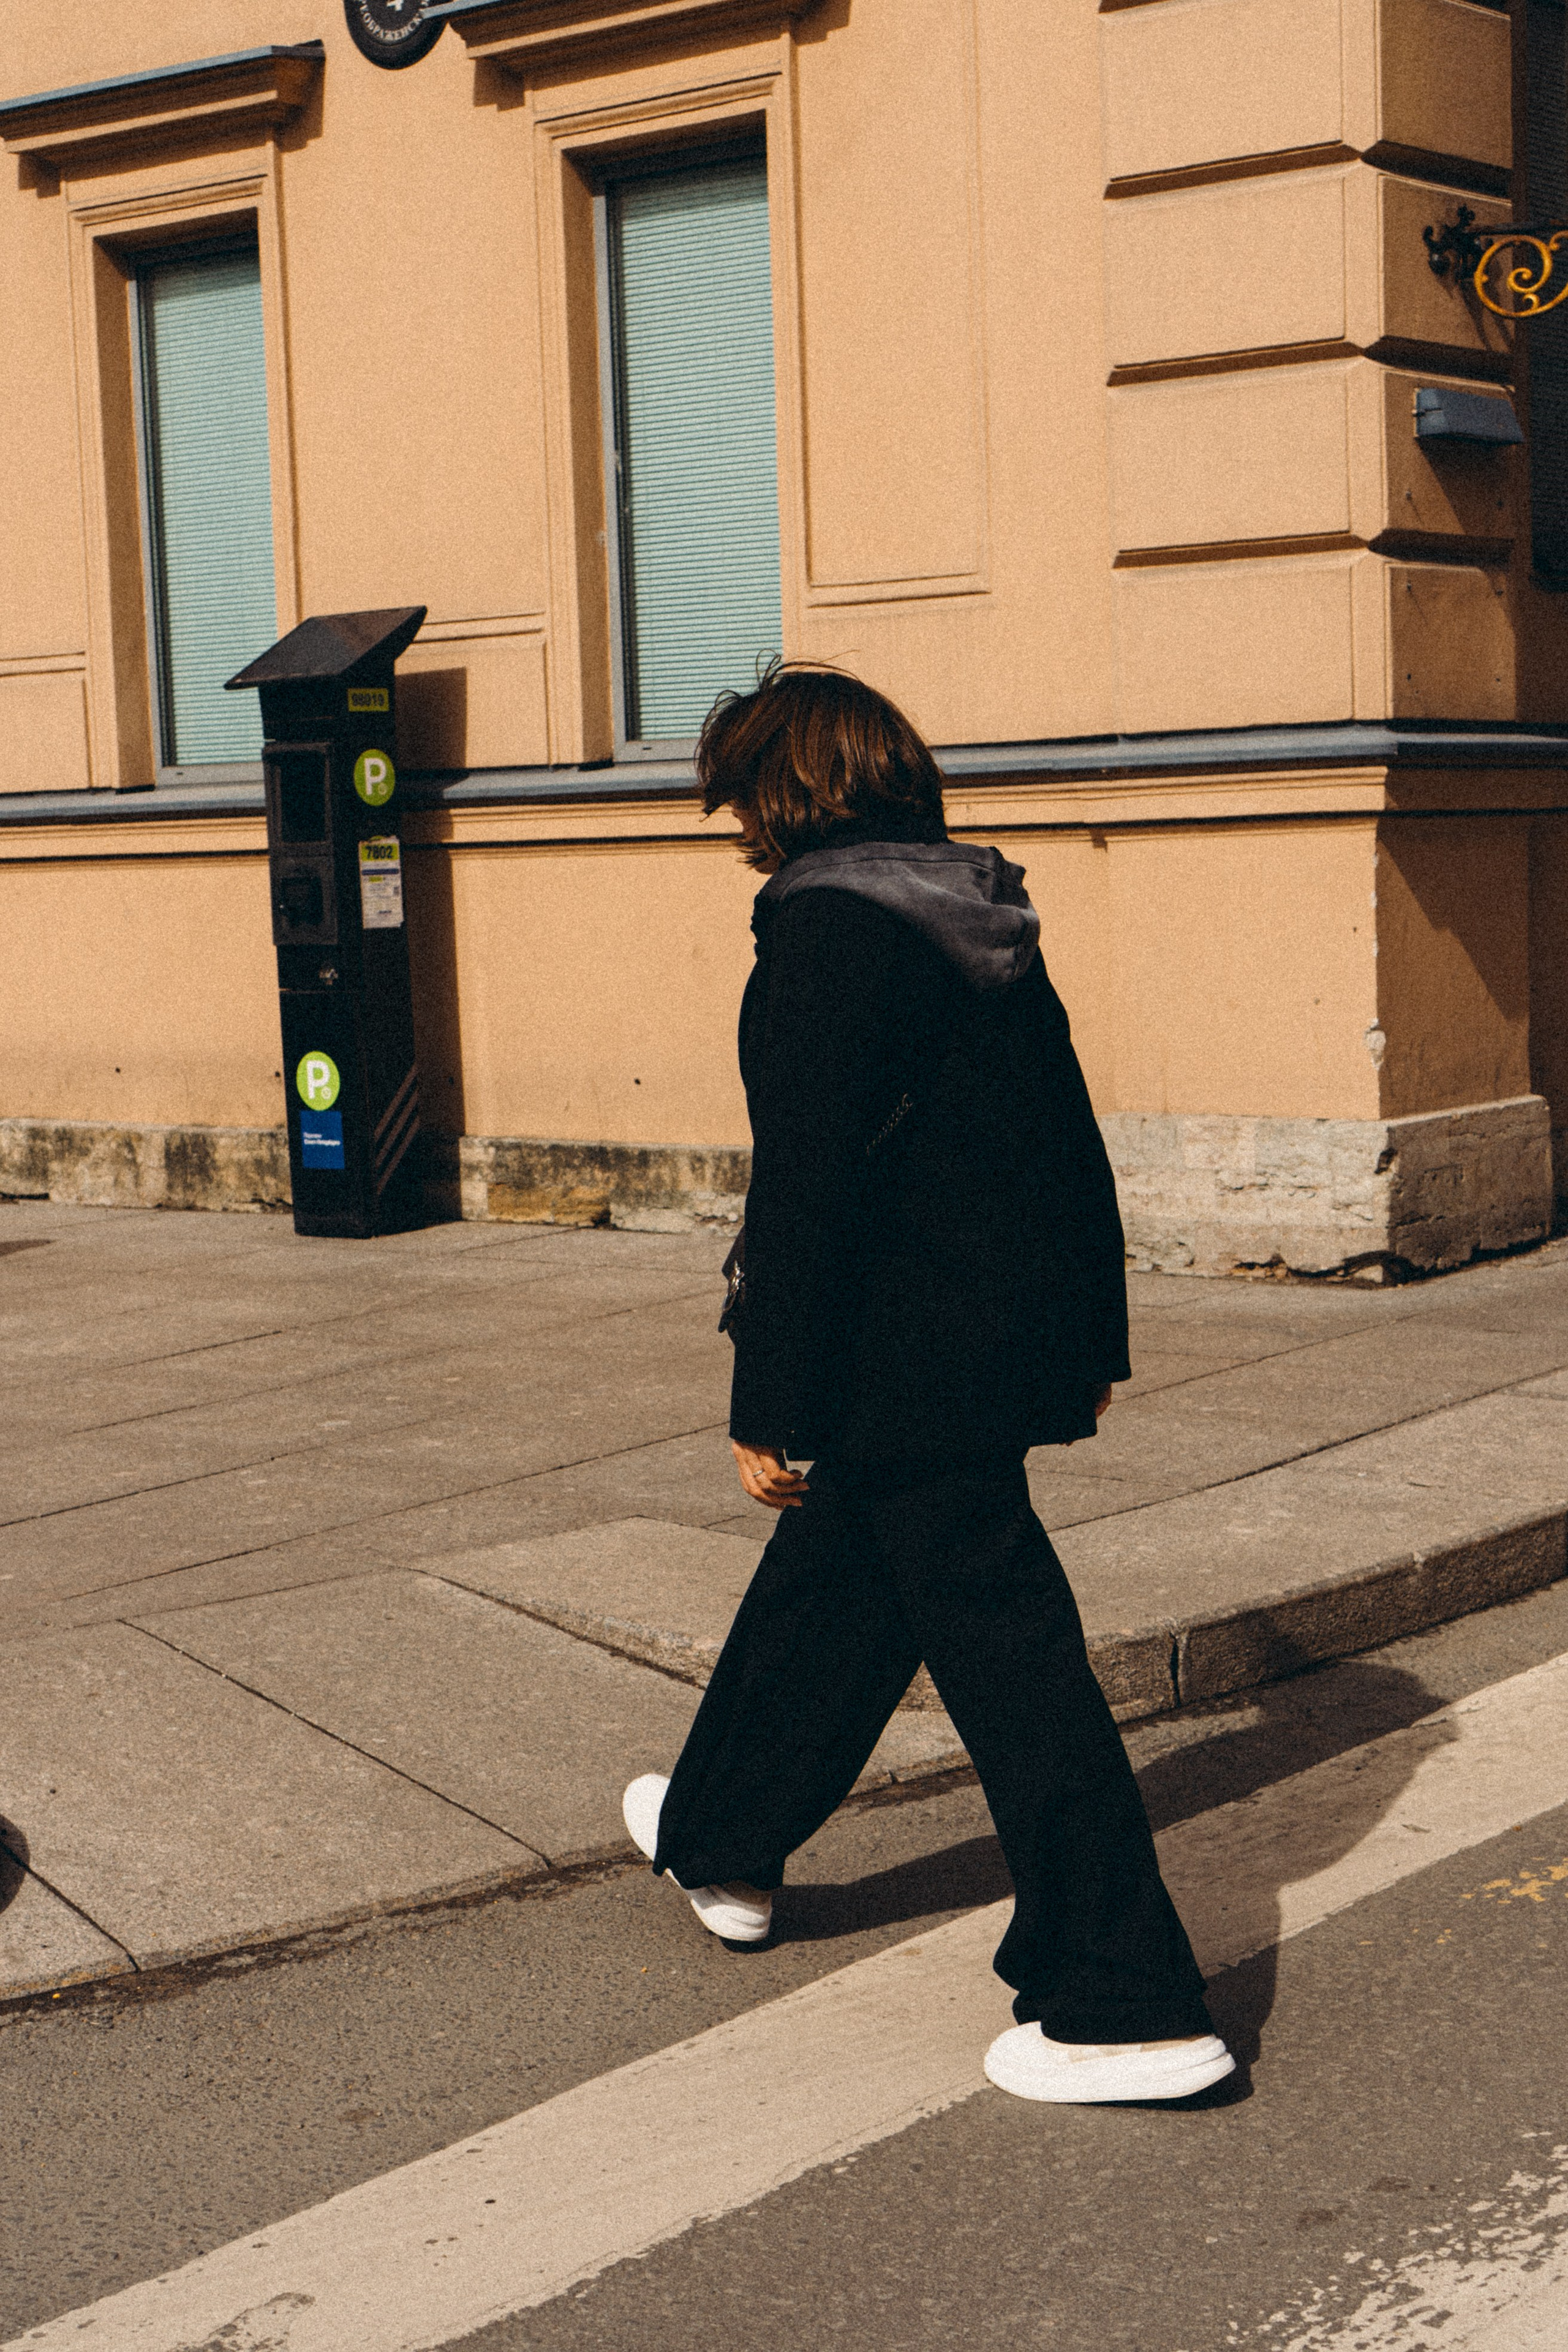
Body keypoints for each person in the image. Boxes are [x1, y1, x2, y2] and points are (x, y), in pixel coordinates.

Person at [622, 663, 1233, 2105]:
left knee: (1012, 1665)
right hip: (988, 1341)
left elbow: (810, 1196)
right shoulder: (975, 912)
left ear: (779, 793)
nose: (735, 837)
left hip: (899, 1359)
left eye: (737, 805)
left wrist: (766, 1399)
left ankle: (1122, 1997)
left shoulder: (826, 935)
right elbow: (1063, 1146)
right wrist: (1085, 1344)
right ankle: (722, 1840)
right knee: (834, 1585)